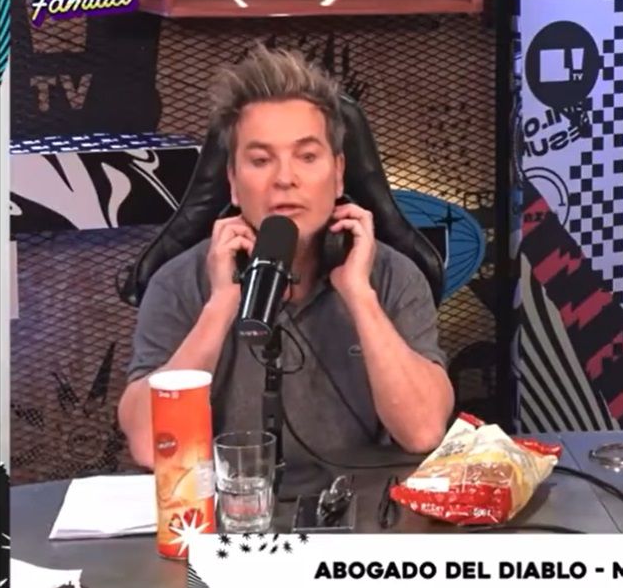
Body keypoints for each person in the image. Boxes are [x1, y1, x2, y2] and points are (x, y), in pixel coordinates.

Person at [118, 45, 454, 482]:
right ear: (233, 182)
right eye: (260, 160)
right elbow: (149, 444)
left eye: (307, 157)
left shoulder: (391, 276)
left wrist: (359, 296)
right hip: (226, 510)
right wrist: (220, 306)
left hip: (360, 509)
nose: (284, 179)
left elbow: (423, 431)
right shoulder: (179, 281)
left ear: (338, 174)